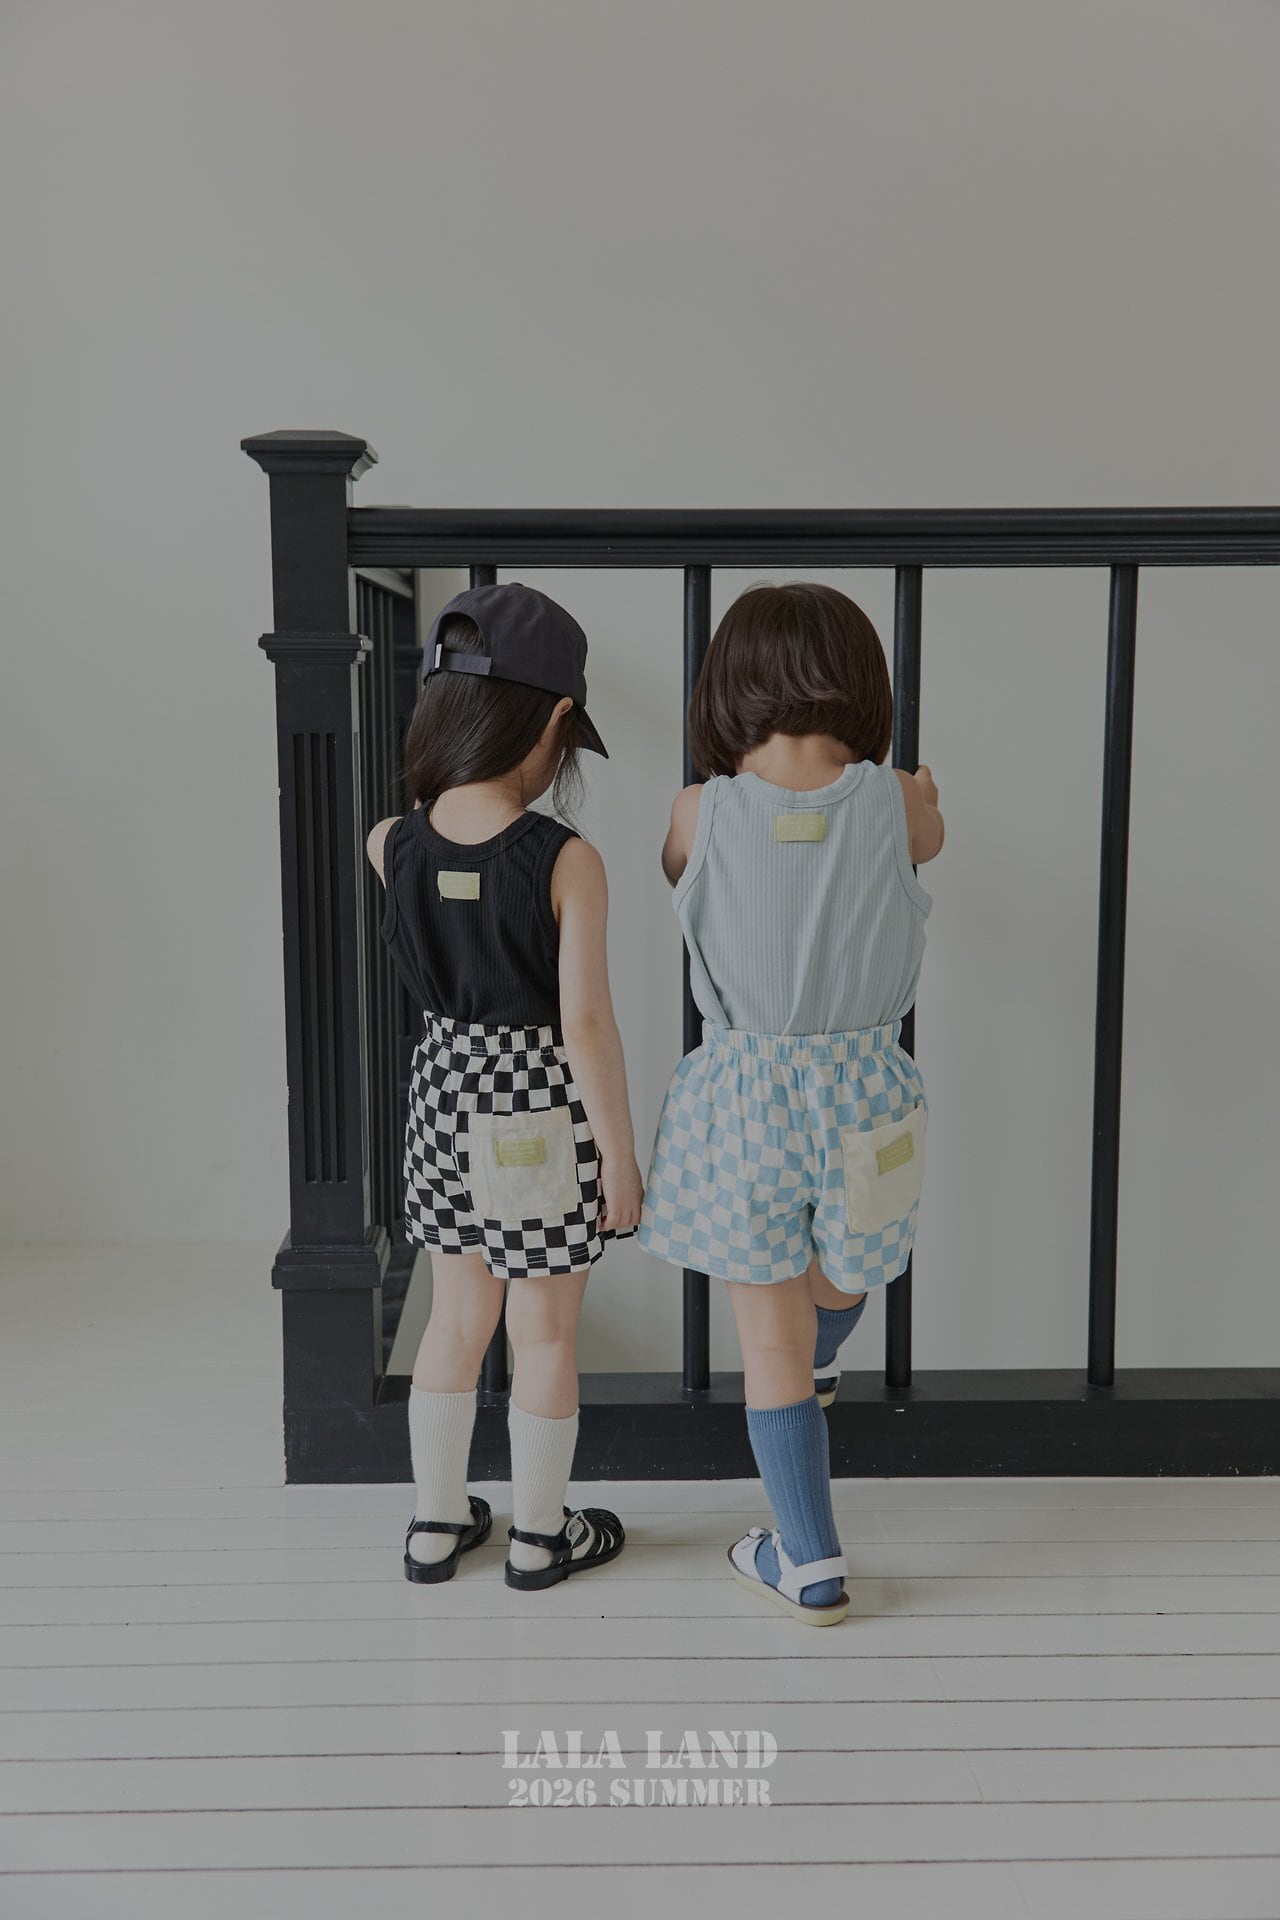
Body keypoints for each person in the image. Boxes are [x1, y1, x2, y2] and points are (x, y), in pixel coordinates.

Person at [638, 582, 945, 1625]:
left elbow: (678, 872)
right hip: (869, 1098)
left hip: (744, 1101)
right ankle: (821, 1352)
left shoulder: (698, 812)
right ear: (863, 687)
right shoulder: (896, 802)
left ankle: (808, 1561)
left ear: (724, 693)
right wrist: (922, 796)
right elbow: (931, 839)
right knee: (849, 1272)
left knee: (768, 1345)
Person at [368, 583, 643, 1590]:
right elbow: (585, 1026)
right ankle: (538, 1535)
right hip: (534, 1106)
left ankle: (435, 1525)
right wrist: (619, 1157)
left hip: (441, 1094)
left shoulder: (387, 843)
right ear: (556, 717)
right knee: (544, 1329)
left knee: (452, 1321)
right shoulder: (565, 860)